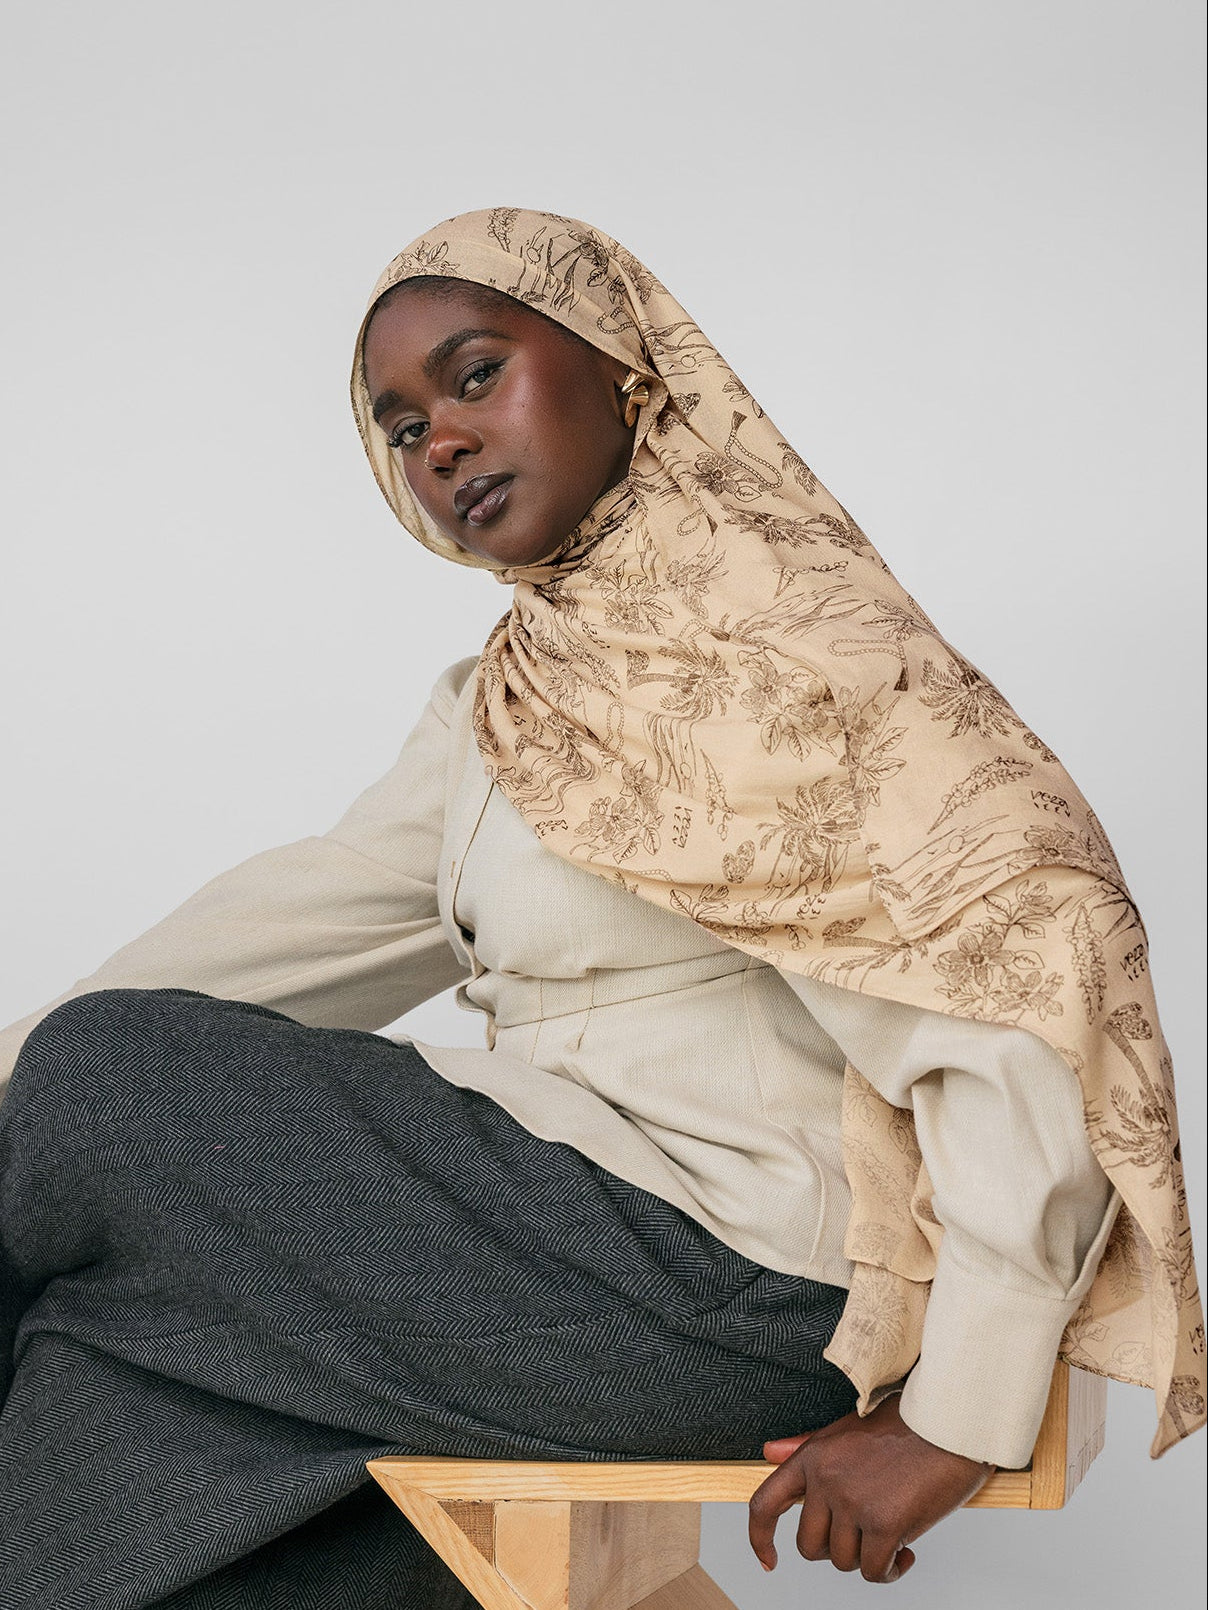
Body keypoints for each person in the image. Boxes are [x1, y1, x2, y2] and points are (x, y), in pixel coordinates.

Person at [0, 207, 1201, 1608]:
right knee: (97, 1399)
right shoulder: (508, 706)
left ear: (625, 368)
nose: (436, 443)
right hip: (551, 1245)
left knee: (98, 1082)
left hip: (749, 1275)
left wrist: (958, 1413)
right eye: (398, 427)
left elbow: (1005, 995)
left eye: (472, 374)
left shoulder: (788, 643)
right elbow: (292, 923)